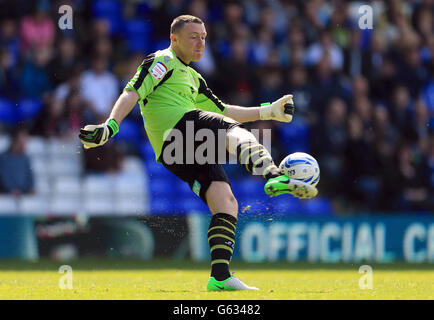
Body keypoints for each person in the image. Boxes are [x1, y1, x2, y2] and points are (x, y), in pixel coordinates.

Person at [79, 15, 318, 291]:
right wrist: (110, 126)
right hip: (176, 130)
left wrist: (268, 111)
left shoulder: (194, 77)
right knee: (232, 131)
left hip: (177, 152)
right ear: (174, 38)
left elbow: (224, 109)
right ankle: (273, 173)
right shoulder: (161, 61)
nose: (200, 43)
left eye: (203, 37)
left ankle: (220, 276)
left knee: (226, 202)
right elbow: (131, 92)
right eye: (193, 36)